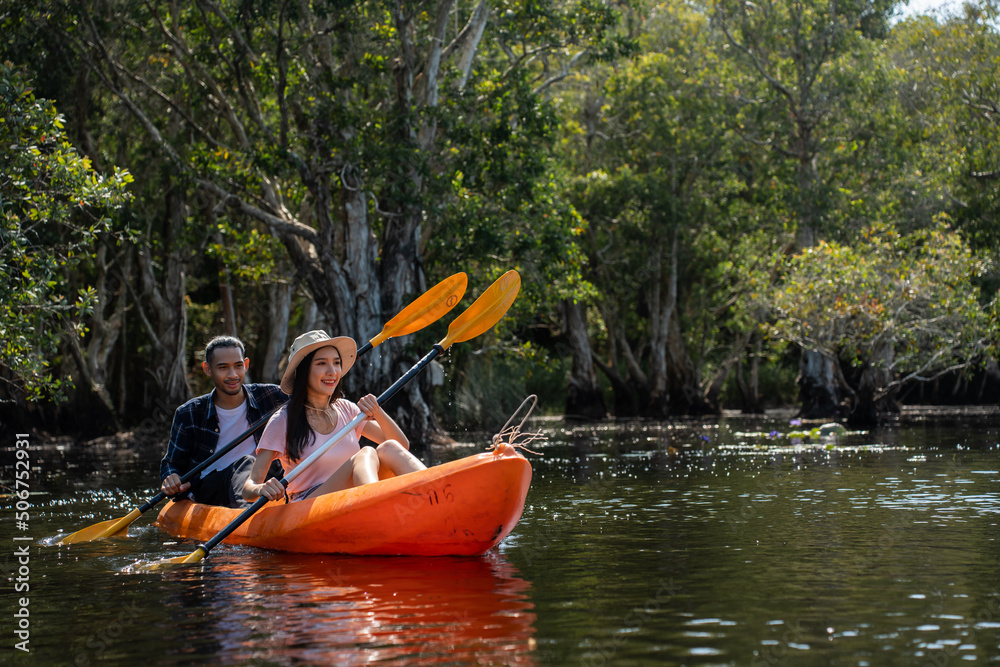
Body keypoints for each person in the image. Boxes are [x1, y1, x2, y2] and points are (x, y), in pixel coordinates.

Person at [243, 330, 426, 503]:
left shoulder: (347, 409)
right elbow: (248, 488)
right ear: (303, 371)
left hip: (351, 497)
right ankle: (376, 504)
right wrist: (261, 489)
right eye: (321, 363)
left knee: (388, 448)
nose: (332, 371)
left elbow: (401, 446)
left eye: (336, 363)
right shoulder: (282, 420)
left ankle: (435, 490)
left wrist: (378, 412)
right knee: (366, 453)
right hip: (308, 505)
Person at [160, 335, 287, 507]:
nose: (232, 375)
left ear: (246, 365)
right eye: (223, 367)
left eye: (238, 366)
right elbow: (172, 464)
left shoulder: (272, 396)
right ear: (207, 369)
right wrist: (171, 478)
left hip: (268, 480)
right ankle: (249, 515)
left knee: (271, 468)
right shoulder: (188, 412)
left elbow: (311, 400)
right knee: (246, 462)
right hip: (213, 487)